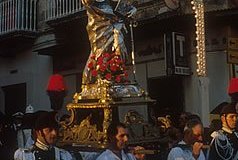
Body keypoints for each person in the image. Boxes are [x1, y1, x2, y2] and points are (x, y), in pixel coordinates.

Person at [81, 0, 137, 84]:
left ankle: (115, 75)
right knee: (101, 51)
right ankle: (98, 77)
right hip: (100, 25)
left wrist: (130, 9)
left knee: (119, 47)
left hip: (116, 25)